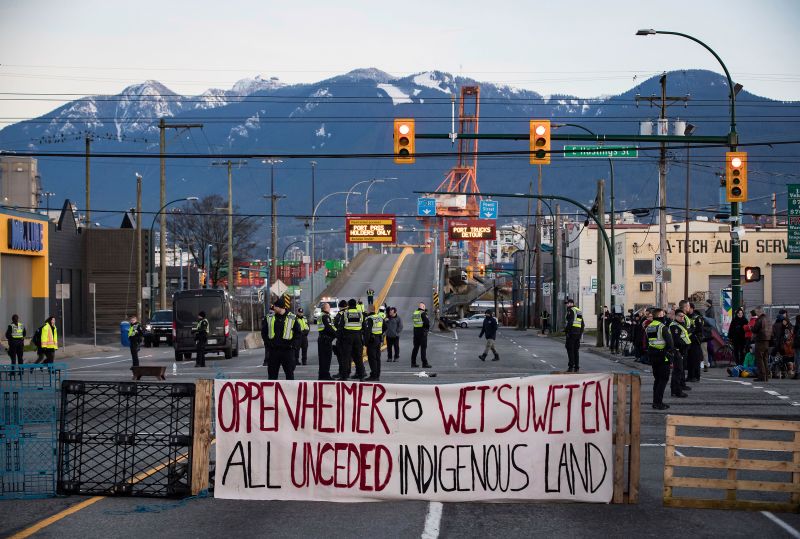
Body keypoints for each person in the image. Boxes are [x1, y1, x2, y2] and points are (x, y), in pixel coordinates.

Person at [264, 297, 301, 380]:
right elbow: (264, 332)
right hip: (274, 350)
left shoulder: (292, 318)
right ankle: (272, 392)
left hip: (287, 351)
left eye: (275, 306)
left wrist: (293, 346)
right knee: (272, 376)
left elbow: (298, 334)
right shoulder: (269, 317)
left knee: (289, 374)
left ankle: (290, 392)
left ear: (280, 307)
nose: (273, 308)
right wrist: (268, 344)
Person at [646, 308, 675, 410]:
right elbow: (670, 343)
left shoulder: (649, 326)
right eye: (663, 314)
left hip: (653, 356)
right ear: (659, 316)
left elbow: (649, 342)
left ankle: (655, 402)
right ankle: (658, 403)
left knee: (657, 380)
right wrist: (670, 356)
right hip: (663, 357)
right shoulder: (662, 327)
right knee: (663, 380)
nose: (665, 316)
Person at [341, 298, 366, 380]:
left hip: (348, 336)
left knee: (346, 357)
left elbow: (341, 326)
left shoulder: (345, 313)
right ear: (355, 305)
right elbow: (364, 326)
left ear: (348, 305)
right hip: (358, 337)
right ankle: (361, 376)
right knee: (358, 357)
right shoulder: (360, 313)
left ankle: (344, 376)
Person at [668, 310, 691, 398]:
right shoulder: (674, 326)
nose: (682, 318)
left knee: (679, 371)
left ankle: (676, 390)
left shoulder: (681, 324)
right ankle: (676, 391)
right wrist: (684, 345)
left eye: (683, 316)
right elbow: (676, 340)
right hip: (677, 350)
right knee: (677, 371)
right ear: (676, 316)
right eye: (680, 316)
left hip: (681, 350)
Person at [683, 301, 705, 382]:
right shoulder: (685, 317)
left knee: (695, 360)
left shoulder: (697, 317)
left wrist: (693, 332)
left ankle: (696, 376)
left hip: (695, 341)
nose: (686, 309)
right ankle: (690, 376)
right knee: (689, 360)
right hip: (688, 341)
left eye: (688, 307)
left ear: (691, 308)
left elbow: (700, 330)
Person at [364, 305, 386, 381]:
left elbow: (367, 332)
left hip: (371, 340)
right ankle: (377, 375)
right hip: (378, 339)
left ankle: (373, 375)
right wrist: (380, 333)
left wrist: (365, 343)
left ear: (369, 310)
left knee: (372, 358)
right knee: (377, 358)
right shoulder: (380, 317)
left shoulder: (369, 319)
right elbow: (385, 327)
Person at [316, 302, 337, 380]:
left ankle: (321, 375)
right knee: (326, 358)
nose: (330, 308)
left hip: (322, 339)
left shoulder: (321, 315)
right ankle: (326, 376)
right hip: (326, 340)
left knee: (322, 359)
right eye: (329, 307)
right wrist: (337, 335)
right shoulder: (325, 316)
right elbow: (329, 328)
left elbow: (331, 327)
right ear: (326, 308)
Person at [752, 309, 772, 382]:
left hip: (760, 341)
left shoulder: (759, 320)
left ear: (759, 312)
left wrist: (751, 327)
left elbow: (754, 329)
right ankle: (766, 376)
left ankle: (762, 377)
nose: (756, 313)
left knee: (760, 359)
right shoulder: (768, 319)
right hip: (767, 341)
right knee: (765, 359)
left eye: (757, 312)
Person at [564, 298, 584, 372]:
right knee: (576, 350)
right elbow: (582, 324)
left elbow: (570, 322)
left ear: (571, 304)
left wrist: (567, 331)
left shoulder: (571, 310)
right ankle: (577, 367)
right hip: (577, 333)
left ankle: (571, 367)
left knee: (570, 349)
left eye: (568, 303)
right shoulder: (578, 311)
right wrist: (580, 333)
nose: (567, 305)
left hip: (571, 333)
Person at [411, 302, 431, 368]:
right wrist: (427, 329)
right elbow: (427, 322)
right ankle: (424, 363)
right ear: (423, 307)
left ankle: (413, 363)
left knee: (415, 348)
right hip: (422, 332)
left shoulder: (415, 313)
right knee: (423, 348)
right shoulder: (422, 313)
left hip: (416, 331)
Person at [333, 299, 349, 379]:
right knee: (349, 357)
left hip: (341, 339)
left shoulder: (339, 314)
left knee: (341, 357)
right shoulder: (350, 313)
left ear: (340, 307)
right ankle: (348, 372)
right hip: (350, 338)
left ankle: (342, 373)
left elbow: (335, 325)